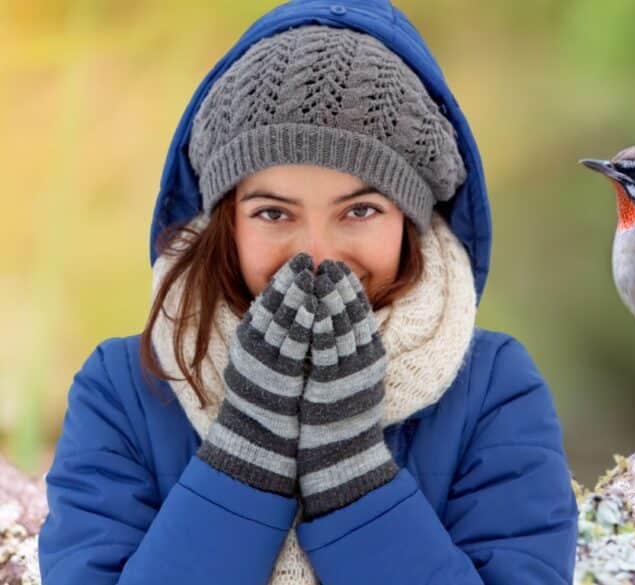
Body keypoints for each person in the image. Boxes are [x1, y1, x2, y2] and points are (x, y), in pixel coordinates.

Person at [36, 2, 578, 583]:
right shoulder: (125, 389)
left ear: (411, 220)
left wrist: (354, 481)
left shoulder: (494, 388)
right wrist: (244, 461)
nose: (316, 254)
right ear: (227, 222)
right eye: (273, 212)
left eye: (361, 210)